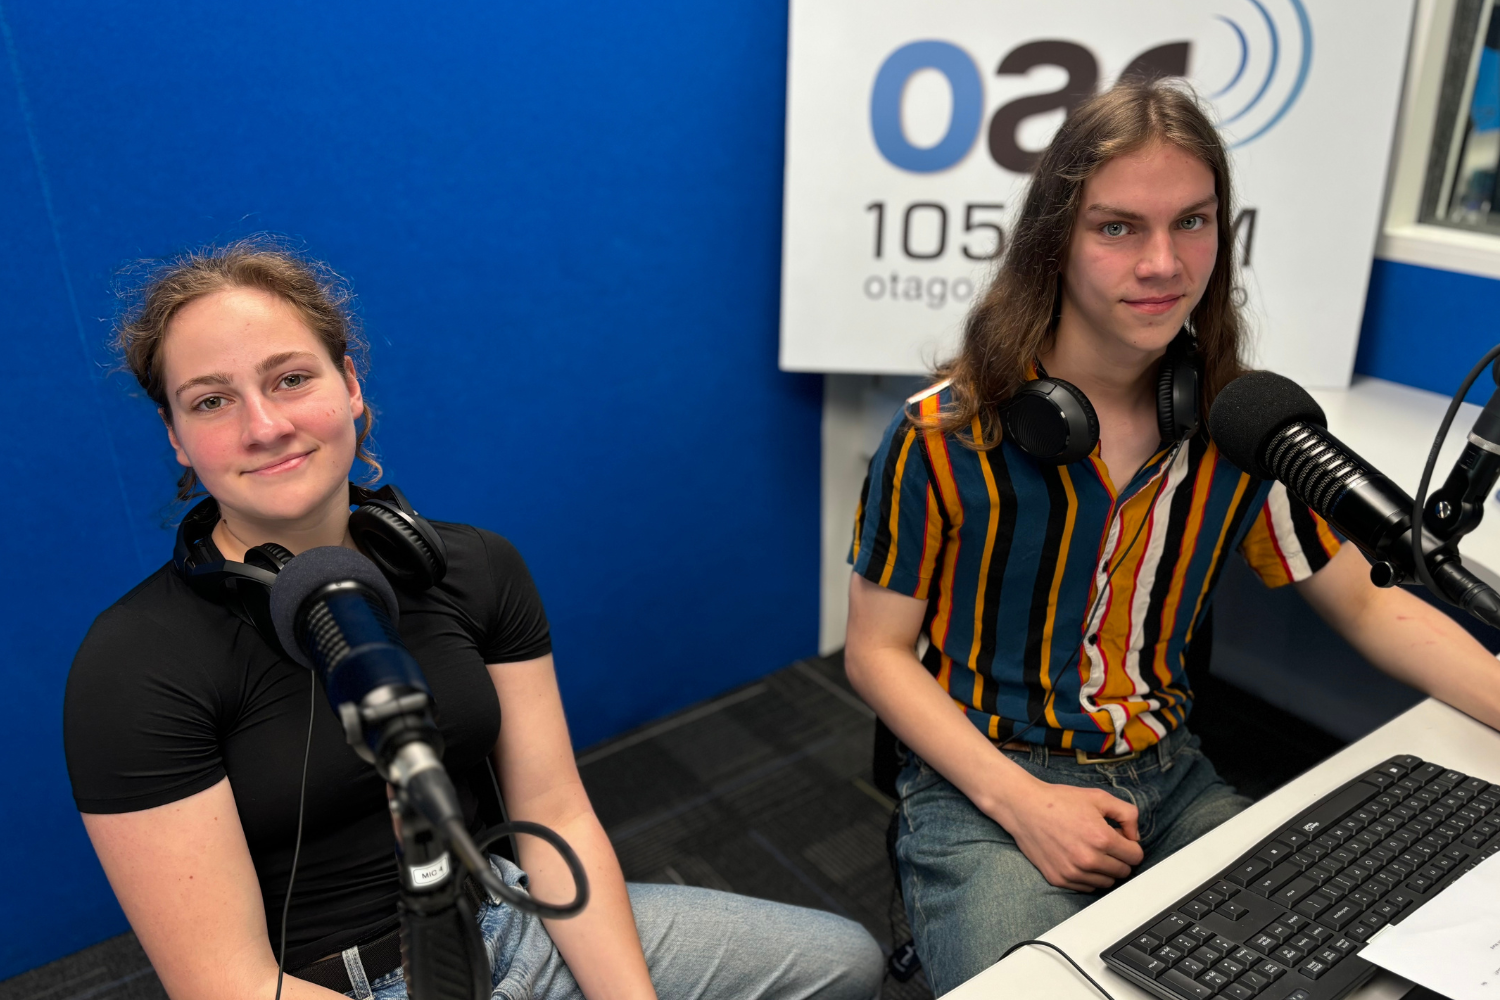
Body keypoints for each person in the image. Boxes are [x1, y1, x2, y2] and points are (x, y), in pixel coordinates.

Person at [64, 239, 883, 1000]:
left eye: (290, 379)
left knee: (844, 965)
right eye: (212, 401)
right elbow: (225, 983)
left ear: (349, 385)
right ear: (176, 438)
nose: (265, 425)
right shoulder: (133, 664)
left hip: (507, 926)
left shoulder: (472, 567)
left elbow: (556, 816)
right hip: (330, 987)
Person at [842, 79, 1500, 995]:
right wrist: (1022, 802)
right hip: (987, 780)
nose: (1163, 263)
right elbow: (875, 656)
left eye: (1192, 222)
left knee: (1323, 971)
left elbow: (1369, 604)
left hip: (1172, 773)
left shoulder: (1240, 425)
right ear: (1055, 243)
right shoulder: (943, 436)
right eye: (1118, 227)